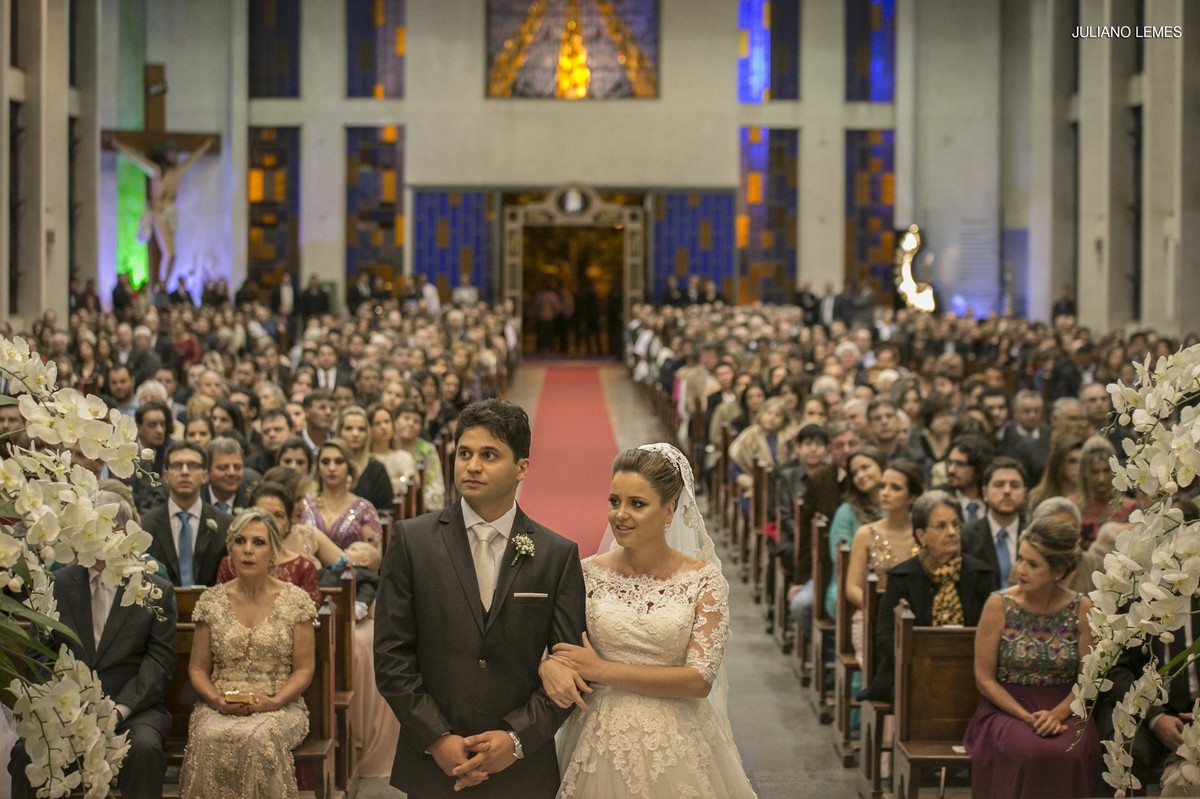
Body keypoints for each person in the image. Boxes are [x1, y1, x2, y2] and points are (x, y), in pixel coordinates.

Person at [374, 398, 587, 798]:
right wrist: (437, 737)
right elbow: (390, 655)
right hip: (433, 766)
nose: (472, 466)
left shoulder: (556, 555)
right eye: (465, 454)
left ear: (522, 467)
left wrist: (516, 739)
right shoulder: (412, 541)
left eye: (489, 455)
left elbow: (571, 664)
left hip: (521, 768)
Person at [540, 443, 757, 798]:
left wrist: (604, 670)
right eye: (614, 501)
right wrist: (548, 666)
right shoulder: (586, 573)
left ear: (669, 509)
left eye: (637, 504)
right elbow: (559, 648)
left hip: (676, 738)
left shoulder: (704, 580)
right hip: (599, 735)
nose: (620, 515)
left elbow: (699, 680)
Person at [8, 492, 176, 799]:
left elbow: (159, 663)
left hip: (132, 712)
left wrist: (120, 710)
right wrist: (61, 709)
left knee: (144, 749)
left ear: (123, 533)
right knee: (26, 753)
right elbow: (37, 657)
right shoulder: (56, 585)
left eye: (101, 526)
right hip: (66, 711)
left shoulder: (155, 591)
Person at [180, 509, 318, 798]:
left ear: (273, 552)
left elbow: (304, 669)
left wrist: (275, 701)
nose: (248, 550)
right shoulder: (212, 601)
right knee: (208, 737)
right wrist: (216, 700)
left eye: (258, 542)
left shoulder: (296, 601)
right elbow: (197, 669)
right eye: (240, 541)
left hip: (280, 706)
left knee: (257, 738)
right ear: (230, 549)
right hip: (220, 704)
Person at [962, 516, 1101, 798]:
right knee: (1031, 751)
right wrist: (1027, 717)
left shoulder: (1082, 608)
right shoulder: (998, 604)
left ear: (1059, 571)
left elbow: (1088, 680)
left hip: (1066, 707)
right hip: (1006, 708)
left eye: (1032, 564)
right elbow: (984, 678)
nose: (1020, 569)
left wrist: (1057, 714)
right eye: (1021, 559)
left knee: (1069, 754)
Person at [860, 490, 997, 702]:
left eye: (955, 524)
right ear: (921, 535)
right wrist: (923, 659)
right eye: (941, 526)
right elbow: (885, 634)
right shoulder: (902, 577)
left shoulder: (981, 574)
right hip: (914, 670)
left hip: (970, 669)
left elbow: (994, 631)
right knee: (920, 693)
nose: (952, 532)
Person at [844, 460, 924, 661]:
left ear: (912, 496)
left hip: (917, 617)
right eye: (883, 486)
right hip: (872, 617)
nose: (885, 492)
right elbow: (852, 587)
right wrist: (879, 607)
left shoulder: (923, 536)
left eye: (895, 488)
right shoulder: (865, 534)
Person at [108, 136, 214, 284]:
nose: (173, 156)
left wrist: (205, 146)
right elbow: (136, 158)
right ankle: (162, 283)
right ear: (164, 155)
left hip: (171, 213)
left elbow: (192, 160)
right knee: (169, 253)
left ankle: (165, 282)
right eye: (170, 153)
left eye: (175, 153)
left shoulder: (177, 172)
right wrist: (118, 144)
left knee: (174, 255)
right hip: (159, 212)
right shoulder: (157, 172)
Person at [215, 481, 323, 607]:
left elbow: (312, 620)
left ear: (289, 523)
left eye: (278, 515)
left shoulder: (304, 567)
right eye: (263, 514)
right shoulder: (230, 564)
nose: (270, 522)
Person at [143, 442, 234, 586]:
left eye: (192, 465)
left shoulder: (226, 525)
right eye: (177, 465)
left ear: (205, 476)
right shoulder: (146, 527)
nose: (185, 472)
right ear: (165, 476)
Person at [824, 447, 886, 619]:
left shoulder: (898, 508)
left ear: (882, 466)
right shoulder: (846, 511)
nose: (860, 475)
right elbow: (840, 560)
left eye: (865, 468)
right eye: (854, 473)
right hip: (852, 584)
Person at [300, 438, 383, 549]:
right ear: (317, 468)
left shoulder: (364, 509)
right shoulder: (302, 504)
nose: (332, 468)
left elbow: (375, 558)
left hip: (353, 566)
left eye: (339, 461)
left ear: (349, 467)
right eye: (325, 462)